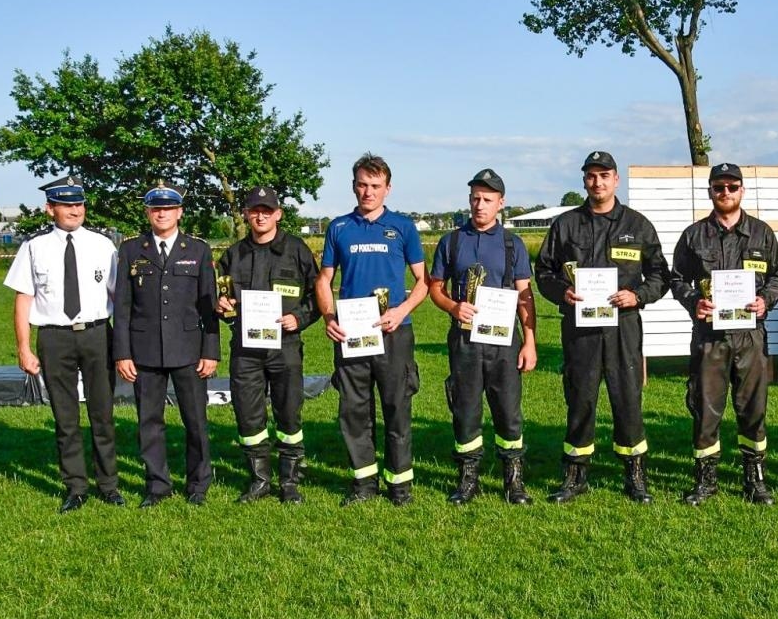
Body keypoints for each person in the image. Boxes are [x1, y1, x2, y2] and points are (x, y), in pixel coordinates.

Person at [534, 151, 670, 503]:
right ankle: (575, 475)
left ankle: (635, 475)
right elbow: (544, 272)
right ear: (584, 181)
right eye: (591, 176)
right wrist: (563, 293)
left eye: (604, 175)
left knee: (628, 400)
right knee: (580, 400)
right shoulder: (565, 225)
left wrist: (637, 296)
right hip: (580, 330)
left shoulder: (638, 226)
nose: (597, 182)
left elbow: (660, 276)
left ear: (616, 180)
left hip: (623, 327)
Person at [4, 180, 124, 514]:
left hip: (98, 334)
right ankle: (75, 486)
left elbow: (119, 298)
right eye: (66, 204)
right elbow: (23, 299)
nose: (75, 211)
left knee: (102, 414)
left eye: (79, 205)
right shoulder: (33, 247)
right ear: (50, 208)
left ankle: (109, 485)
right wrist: (23, 348)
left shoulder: (103, 245)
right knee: (65, 417)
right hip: (55, 337)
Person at [670, 162, 778, 505]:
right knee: (706, 408)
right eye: (719, 188)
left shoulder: (761, 234)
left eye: (732, 187)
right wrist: (694, 303)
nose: (725, 193)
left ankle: (755, 478)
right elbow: (676, 278)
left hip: (750, 336)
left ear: (741, 191)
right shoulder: (694, 235)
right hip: (710, 336)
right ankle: (706, 480)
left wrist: (766, 300)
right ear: (710, 192)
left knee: (753, 408)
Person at [316, 154, 429, 505]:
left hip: (395, 331)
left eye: (375, 186)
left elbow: (424, 281)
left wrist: (402, 310)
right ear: (353, 186)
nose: (368, 192)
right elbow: (324, 279)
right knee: (354, 409)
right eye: (362, 185)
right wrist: (329, 317)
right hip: (352, 333)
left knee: (397, 406)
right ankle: (364, 483)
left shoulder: (403, 228)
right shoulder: (339, 228)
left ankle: (400, 485)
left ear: (388, 188)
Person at [428, 168, 538, 505]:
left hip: (504, 343)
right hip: (465, 341)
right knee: (465, 409)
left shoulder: (512, 243)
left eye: (487, 199)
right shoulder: (452, 241)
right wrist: (452, 307)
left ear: (500, 203)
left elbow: (525, 295)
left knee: (508, 411)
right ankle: (467, 479)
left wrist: (530, 340)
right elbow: (435, 288)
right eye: (475, 198)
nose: (479, 205)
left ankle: (513, 481)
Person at [113, 184, 220, 507]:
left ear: (180, 212)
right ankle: (157, 485)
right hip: (144, 351)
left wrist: (210, 351)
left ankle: (198, 484)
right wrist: (123, 352)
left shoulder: (198, 250)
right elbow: (122, 306)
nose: (162, 213)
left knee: (196, 421)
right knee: (149, 422)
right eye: (155, 208)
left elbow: (209, 305)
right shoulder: (131, 250)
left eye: (169, 208)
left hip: (189, 350)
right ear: (147, 212)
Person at [215, 186, 320, 504]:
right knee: (248, 416)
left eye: (267, 210)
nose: (260, 215)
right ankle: (259, 480)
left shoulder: (297, 250)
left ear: (278, 214)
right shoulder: (233, 254)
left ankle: (289, 481)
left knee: (289, 415)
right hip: (245, 350)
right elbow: (220, 297)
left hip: (285, 347)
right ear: (246, 214)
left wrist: (299, 319)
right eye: (254, 210)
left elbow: (318, 296)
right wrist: (221, 305)